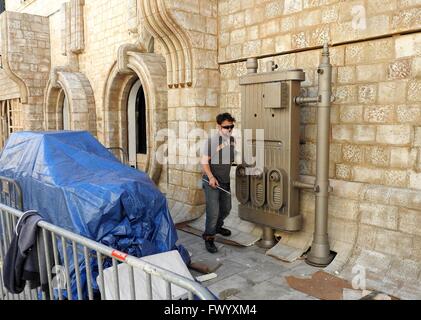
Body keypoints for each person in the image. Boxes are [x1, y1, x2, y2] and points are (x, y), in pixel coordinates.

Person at [200, 113, 236, 253]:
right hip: (212, 181)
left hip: (225, 181)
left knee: (226, 208)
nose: (229, 129)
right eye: (226, 127)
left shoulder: (231, 140)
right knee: (213, 211)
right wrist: (211, 177)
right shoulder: (212, 141)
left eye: (231, 127)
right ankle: (209, 237)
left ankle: (217, 227)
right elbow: (204, 161)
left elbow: (228, 158)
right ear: (218, 127)